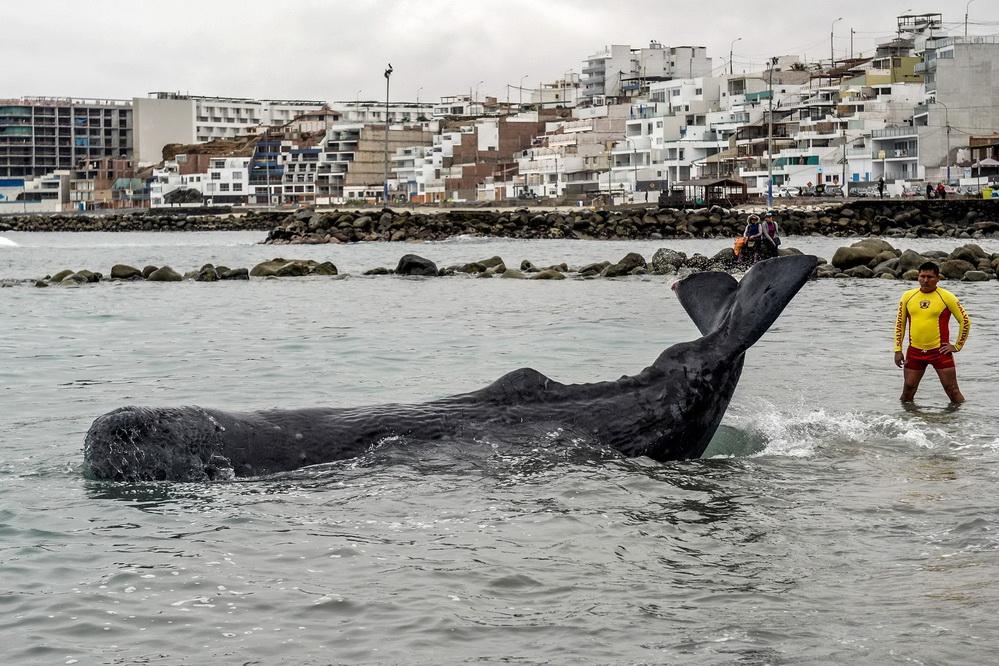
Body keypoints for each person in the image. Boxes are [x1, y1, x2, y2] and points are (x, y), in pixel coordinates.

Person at [893, 261, 971, 404]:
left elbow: (965, 321)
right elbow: (900, 324)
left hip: (940, 352)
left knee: (952, 391)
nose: (925, 280)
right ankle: (905, 423)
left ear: (937, 279)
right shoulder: (907, 296)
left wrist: (957, 346)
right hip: (915, 352)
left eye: (930, 277)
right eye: (922, 276)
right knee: (908, 391)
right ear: (918, 277)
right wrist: (898, 350)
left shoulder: (947, 297)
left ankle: (960, 424)